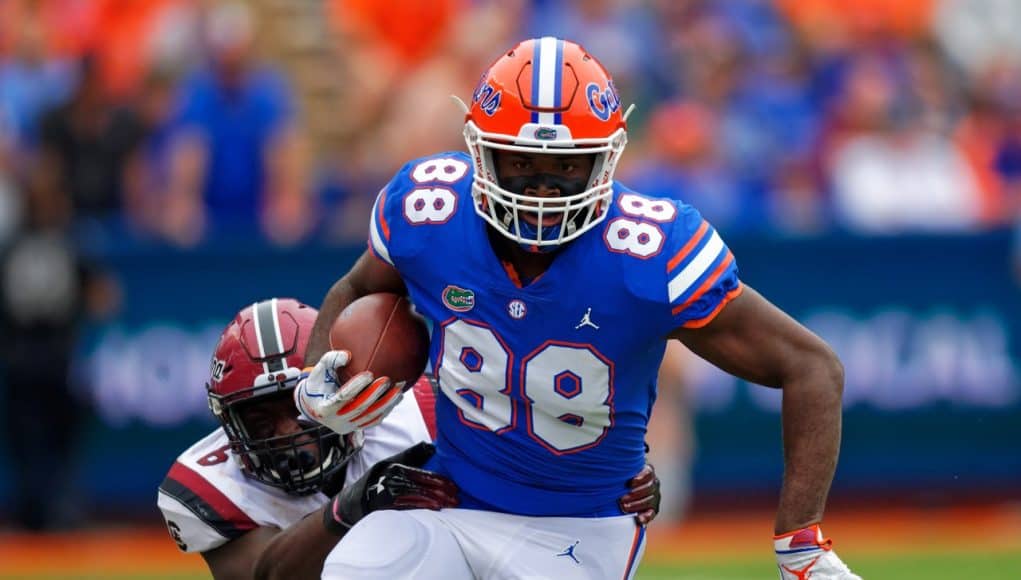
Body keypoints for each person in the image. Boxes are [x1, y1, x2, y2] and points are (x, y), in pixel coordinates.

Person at [296, 37, 859, 579]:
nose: (541, 190)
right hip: (447, 500)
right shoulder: (428, 214)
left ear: (606, 160)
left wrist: (800, 541)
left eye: (566, 167)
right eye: (521, 162)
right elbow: (354, 290)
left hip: (582, 525)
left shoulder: (651, 252)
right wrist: (316, 380)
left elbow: (811, 366)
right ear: (481, 150)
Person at [157, 297, 659, 579]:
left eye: (294, 408)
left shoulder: (414, 409)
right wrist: (351, 506)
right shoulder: (206, 487)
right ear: (228, 424)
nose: (287, 434)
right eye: (260, 422)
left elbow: (533, 446)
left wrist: (607, 475)